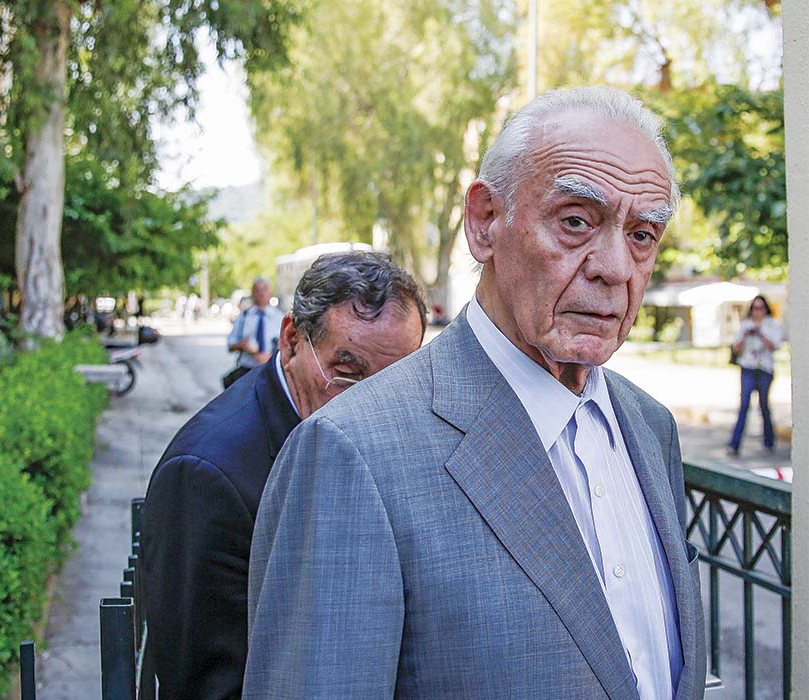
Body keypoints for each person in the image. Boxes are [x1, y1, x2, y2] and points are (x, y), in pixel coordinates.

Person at [244, 87, 707, 700]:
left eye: (643, 234)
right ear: (485, 221)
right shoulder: (351, 452)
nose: (616, 267)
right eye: (576, 221)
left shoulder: (650, 427)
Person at [141, 252, 427, 700]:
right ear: (291, 339)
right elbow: (207, 684)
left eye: (394, 383)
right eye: (348, 374)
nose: (373, 405)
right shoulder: (205, 475)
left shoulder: (384, 435)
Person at [727, 295, 782, 456]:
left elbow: (775, 346)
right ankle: (734, 444)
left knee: (764, 405)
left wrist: (761, 335)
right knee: (744, 405)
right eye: (755, 308)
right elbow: (735, 348)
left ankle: (769, 442)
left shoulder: (772, 324)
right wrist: (745, 336)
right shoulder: (745, 324)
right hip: (748, 368)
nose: (757, 312)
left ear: (766, 309)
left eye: (761, 308)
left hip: (765, 369)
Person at [222, 278, 286, 388]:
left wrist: (271, 356)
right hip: (247, 371)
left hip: (270, 372)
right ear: (252, 293)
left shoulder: (280, 318)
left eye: (264, 289)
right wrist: (241, 345)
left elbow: (288, 347)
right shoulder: (244, 317)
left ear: (270, 292)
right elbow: (230, 344)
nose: (261, 293)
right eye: (257, 290)